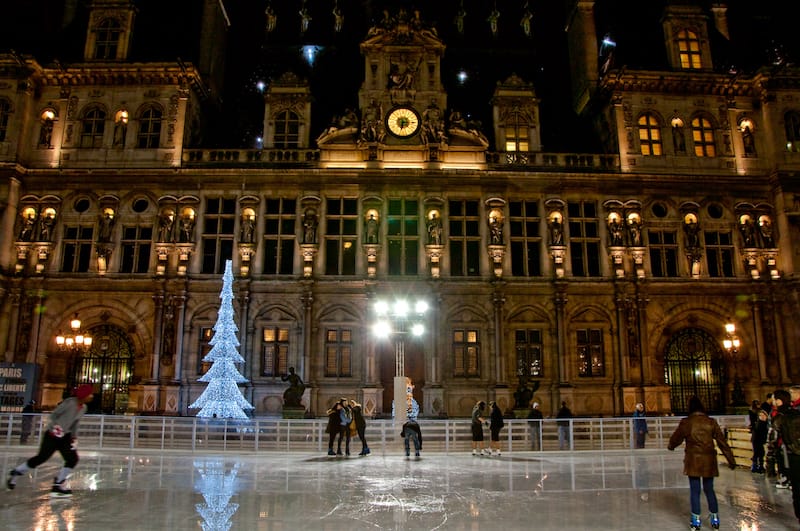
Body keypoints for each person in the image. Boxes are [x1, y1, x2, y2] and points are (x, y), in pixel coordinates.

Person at [7, 384, 95, 497]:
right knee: (41, 458)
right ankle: (16, 472)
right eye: (90, 394)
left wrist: (74, 437)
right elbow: (54, 415)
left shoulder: (83, 408)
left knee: (72, 459)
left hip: (65, 437)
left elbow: (75, 423)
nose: (92, 396)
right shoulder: (69, 403)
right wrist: (55, 427)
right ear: (84, 395)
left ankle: (58, 483)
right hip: (52, 435)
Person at [668, 395, 736, 531]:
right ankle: (715, 519)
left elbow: (677, 437)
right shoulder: (710, 422)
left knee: (695, 490)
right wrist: (731, 459)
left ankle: (696, 521)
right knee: (709, 489)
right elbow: (722, 442)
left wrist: (671, 445)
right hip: (709, 460)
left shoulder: (687, 422)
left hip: (693, 460)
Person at [772, 388, 800, 527]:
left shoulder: (780, 417)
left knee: (798, 489)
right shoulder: (797, 412)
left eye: (774, 399)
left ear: (779, 401)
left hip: (793, 456)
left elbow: (773, 436)